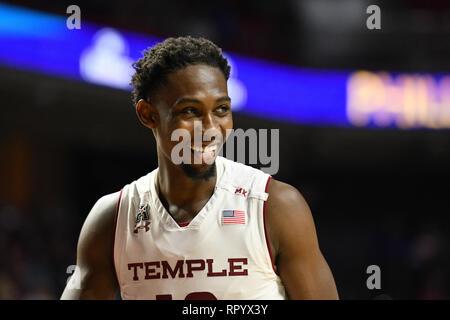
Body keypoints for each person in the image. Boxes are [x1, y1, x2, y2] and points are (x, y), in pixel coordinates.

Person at [61, 36, 338, 300]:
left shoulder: (274, 206)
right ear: (149, 114)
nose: (209, 129)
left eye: (221, 110)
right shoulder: (113, 219)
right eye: (190, 111)